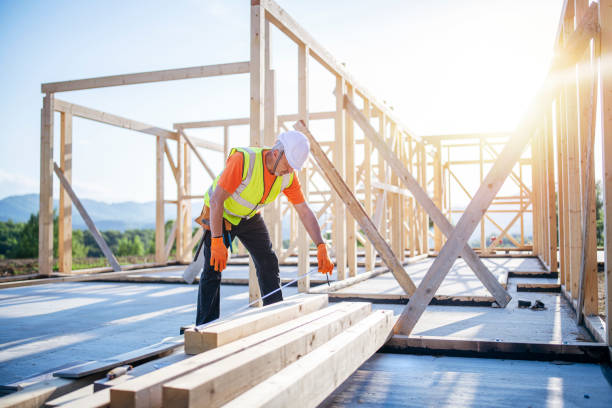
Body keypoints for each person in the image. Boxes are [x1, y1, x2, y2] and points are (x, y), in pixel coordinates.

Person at [192, 130, 334, 325]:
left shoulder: (288, 176)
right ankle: (205, 327)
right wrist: (217, 240)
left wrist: (320, 245)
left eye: (294, 167)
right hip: (221, 213)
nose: (290, 171)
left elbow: (304, 211)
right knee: (213, 267)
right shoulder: (243, 160)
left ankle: (275, 317)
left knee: (268, 260)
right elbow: (217, 201)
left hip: (248, 216)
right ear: (276, 152)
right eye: (288, 164)